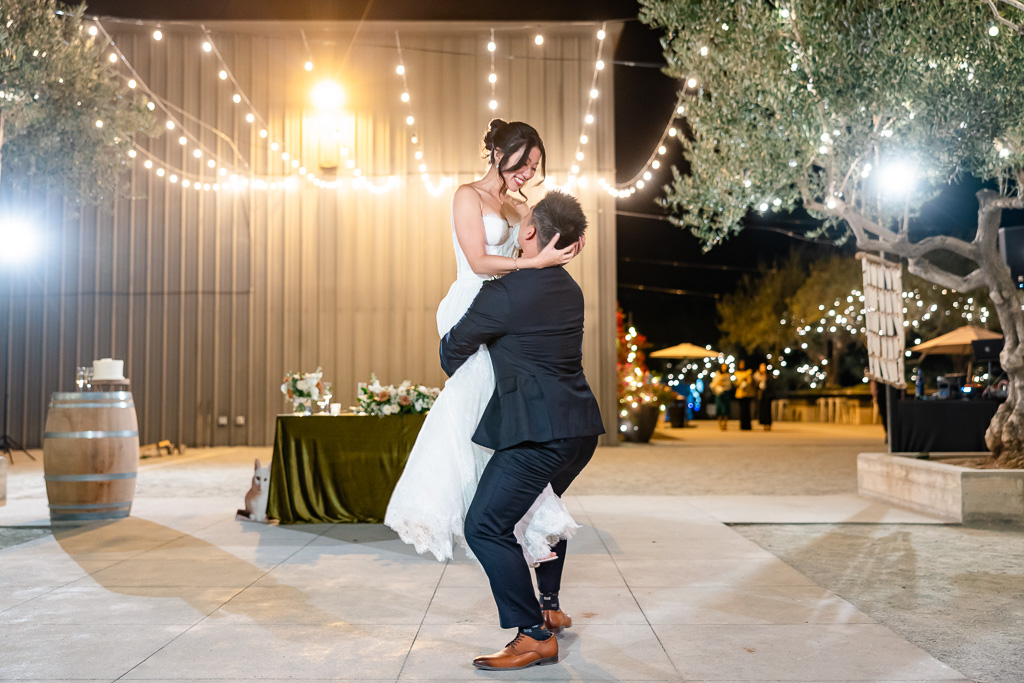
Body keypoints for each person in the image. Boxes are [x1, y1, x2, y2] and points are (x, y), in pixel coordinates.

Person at [384, 120, 581, 565]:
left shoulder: (518, 205)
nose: (528, 173)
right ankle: (471, 505)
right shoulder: (466, 196)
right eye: (523, 163)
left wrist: (563, 247)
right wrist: (534, 267)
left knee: (498, 402)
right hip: (473, 301)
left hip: (505, 304)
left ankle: (508, 505)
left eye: (534, 166)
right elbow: (477, 260)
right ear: (497, 154)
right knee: (471, 402)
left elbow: (536, 244)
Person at [439, 190, 604, 670]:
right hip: (579, 431)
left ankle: (532, 636)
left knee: (484, 526)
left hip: (538, 435)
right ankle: (549, 607)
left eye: (523, 219)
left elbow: (451, 353)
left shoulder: (504, 293)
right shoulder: (569, 288)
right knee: (543, 509)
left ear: (530, 232)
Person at [710, 363, 733, 430]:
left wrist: (725, 383)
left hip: (726, 393)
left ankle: (725, 424)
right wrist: (720, 381)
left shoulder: (728, 375)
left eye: (725, 367)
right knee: (719, 409)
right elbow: (713, 384)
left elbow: (730, 385)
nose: (724, 368)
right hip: (719, 394)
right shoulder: (717, 374)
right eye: (723, 367)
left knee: (726, 409)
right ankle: (720, 424)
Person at [734, 360, 755, 431]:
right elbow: (736, 383)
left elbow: (750, 382)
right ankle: (742, 425)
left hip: (748, 393)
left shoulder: (748, 373)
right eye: (741, 364)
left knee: (747, 410)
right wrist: (745, 376)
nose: (742, 365)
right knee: (742, 410)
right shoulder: (737, 373)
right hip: (740, 394)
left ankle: (748, 425)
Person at [754, 362, 773, 431]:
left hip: (767, 394)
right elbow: (755, 385)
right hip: (761, 394)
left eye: (764, 367)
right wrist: (759, 379)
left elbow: (771, 384)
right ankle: (763, 423)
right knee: (762, 409)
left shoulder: (768, 375)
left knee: (768, 409)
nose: (763, 369)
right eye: (761, 367)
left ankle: (768, 423)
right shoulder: (757, 375)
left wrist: (766, 379)